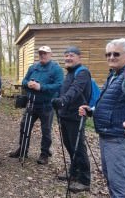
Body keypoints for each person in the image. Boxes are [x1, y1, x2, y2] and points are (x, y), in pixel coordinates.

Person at [79, 38, 125, 198]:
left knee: (119, 184)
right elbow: (109, 102)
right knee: (113, 178)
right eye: (107, 54)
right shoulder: (115, 75)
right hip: (108, 135)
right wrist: (92, 111)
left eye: (116, 53)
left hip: (119, 137)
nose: (111, 57)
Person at [9, 45, 64, 165]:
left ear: (50, 55)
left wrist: (41, 87)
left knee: (46, 130)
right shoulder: (33, 67)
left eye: (45, 53)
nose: (42, 55)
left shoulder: (56, 69)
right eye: (40, 53)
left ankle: (44, 154)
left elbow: (59, 85)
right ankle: (22, 149)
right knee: (24, 126)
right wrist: (27, 84)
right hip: (31, 103)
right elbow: (24, 81)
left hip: (46, 105)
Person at [51, 46, 91, 192]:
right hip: (65, 115)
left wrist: (63, 101)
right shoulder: (69, 73)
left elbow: (75, 90)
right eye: (66, 55)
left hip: (76, 115)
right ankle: (74, 173)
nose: (68, 58)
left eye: (71, 55)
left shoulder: (83, 73)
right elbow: (64, 90)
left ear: (79, 57)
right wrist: (57, 99)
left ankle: (85, 180)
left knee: (78, 147)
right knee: (69, 145)